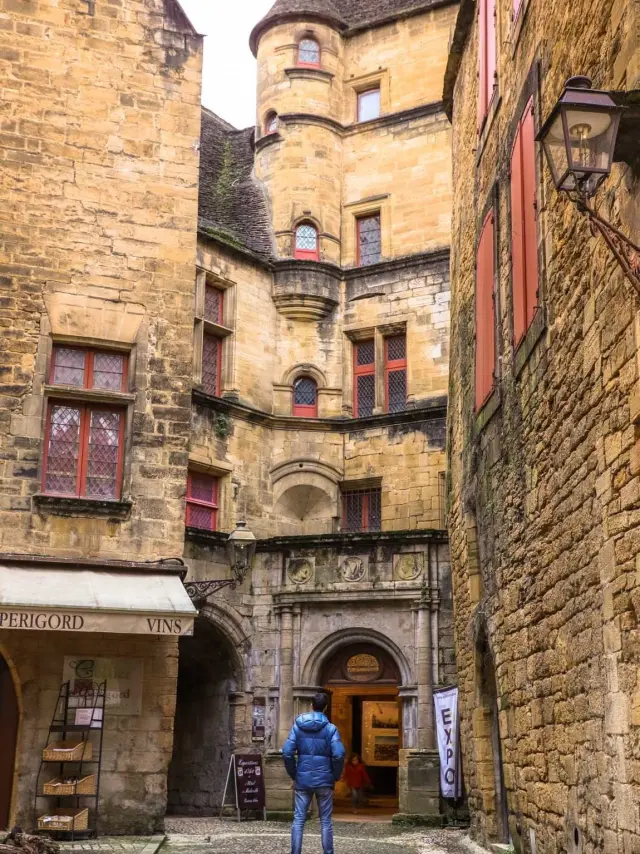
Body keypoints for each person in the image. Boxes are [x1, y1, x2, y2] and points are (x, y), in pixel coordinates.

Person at [282, 692, 345, 854]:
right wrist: (335, 776)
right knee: (325, 821)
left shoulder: (298, 726)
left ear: (311, 706)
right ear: (325, 708)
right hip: (324, 780)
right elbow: (338, 754)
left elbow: (287, 753)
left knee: (299, 820)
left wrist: (294, 774)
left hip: (303, 779)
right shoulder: (331, 729)